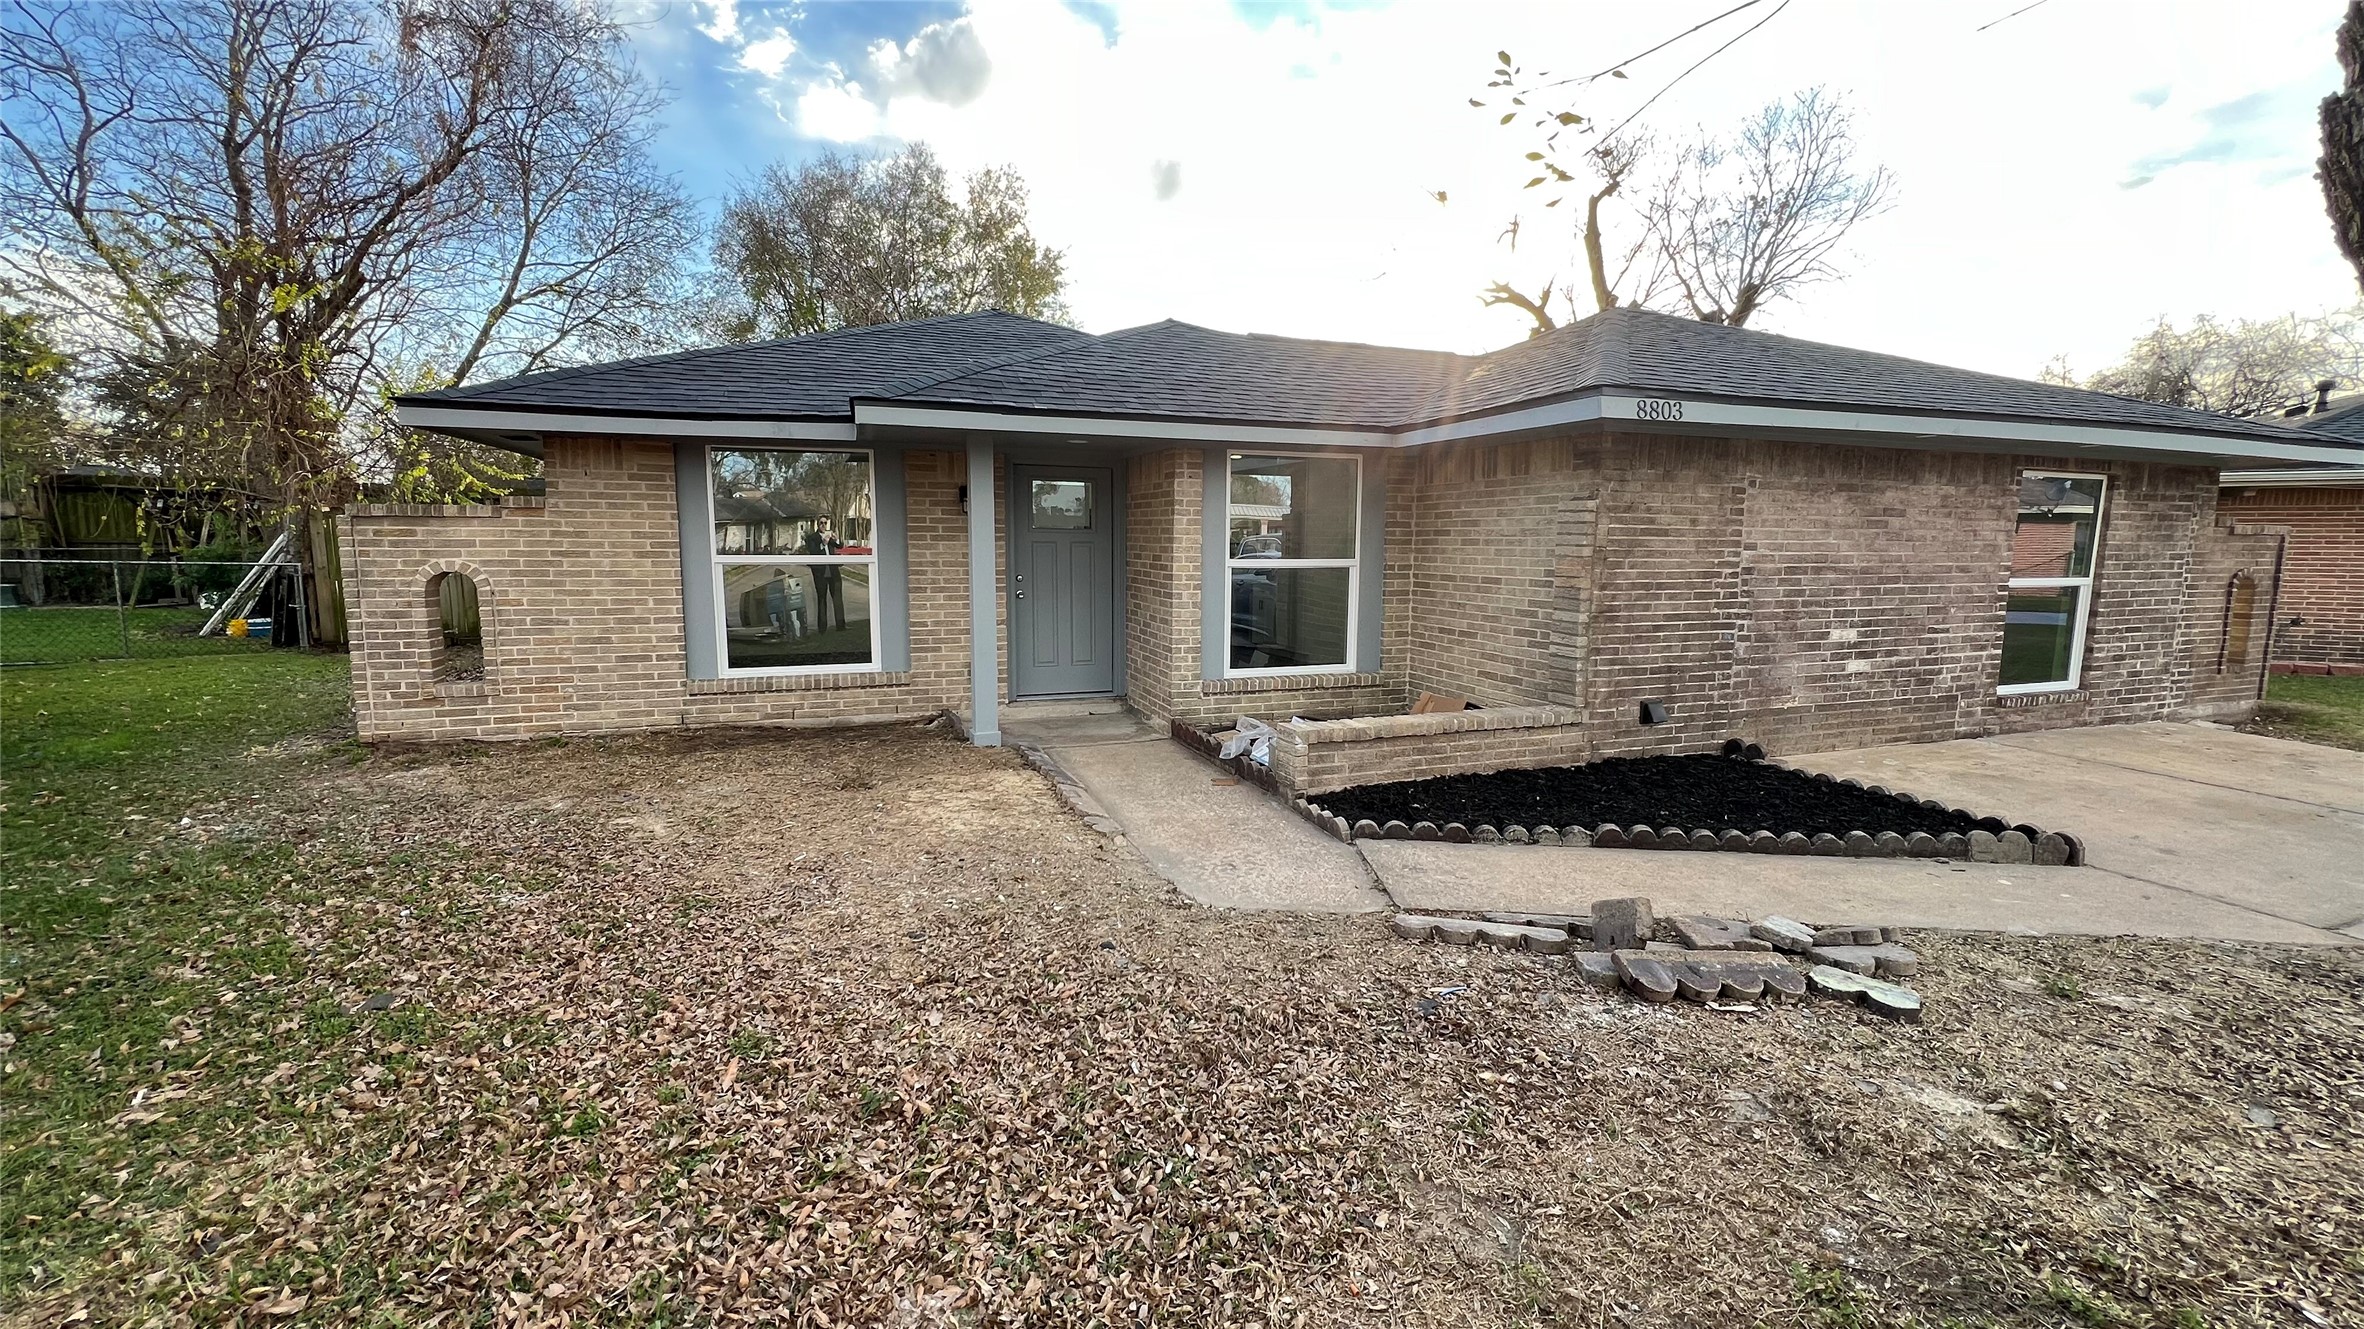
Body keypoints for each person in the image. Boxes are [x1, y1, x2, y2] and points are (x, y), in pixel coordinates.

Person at [801, 516, 846, 632]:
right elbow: (813, 552)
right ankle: (822, 628)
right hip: (820, 572)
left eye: (825, 523)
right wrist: (823, 544)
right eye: (821, 523)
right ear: (817, 524)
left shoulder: (829, 535)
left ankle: (841, 626)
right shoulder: (812, 538)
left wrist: (835, 539)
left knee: (837, 598)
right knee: (822, 599)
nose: (823, 525)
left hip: (833, 570)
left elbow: (840, 546)